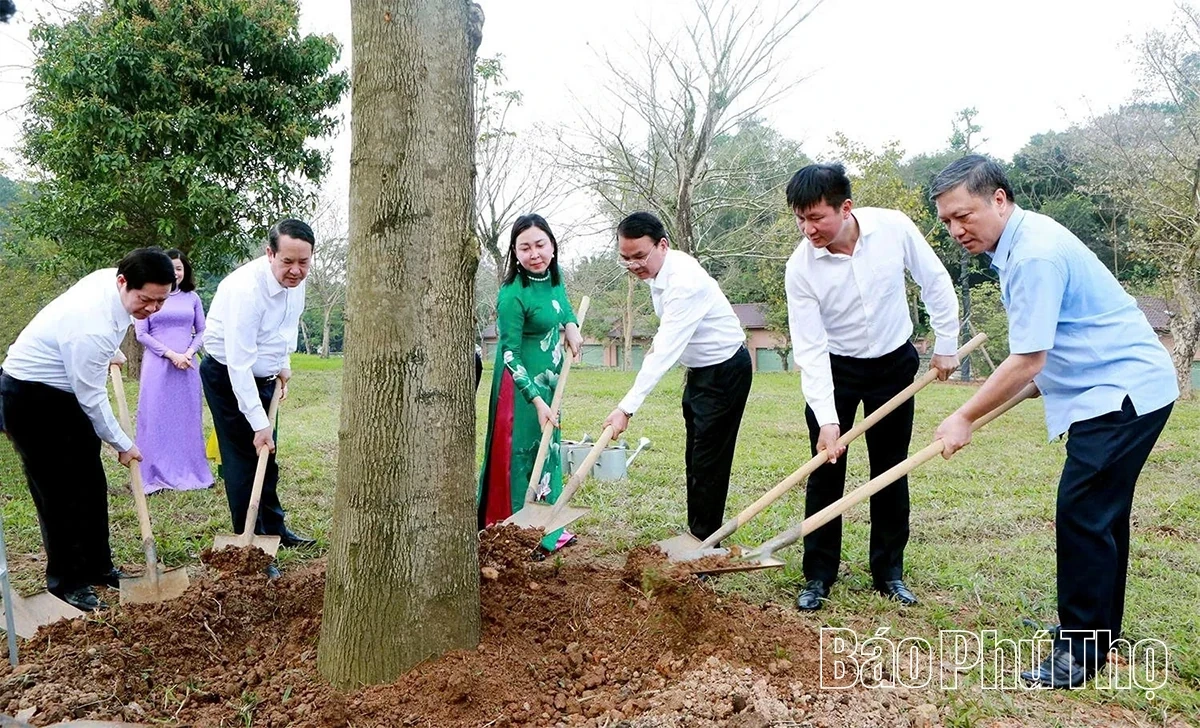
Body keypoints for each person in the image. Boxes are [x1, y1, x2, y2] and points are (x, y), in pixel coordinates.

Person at [930, 155, 1177, 688]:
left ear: (999, 199)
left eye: (964, 216)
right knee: (1101, 516)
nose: (956, 230)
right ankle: (1094, 635)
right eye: (947, 221)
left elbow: (1027, 359)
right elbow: (1044, 353)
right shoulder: (1019, 245)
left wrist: (963, 416)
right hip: (1116, 385)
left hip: (1122, 390)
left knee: (1083, 513)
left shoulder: (1035, 254)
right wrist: (987, 407)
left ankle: (1080, 650)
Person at [783, 163, 961, 612]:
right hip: (836, 369)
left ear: (846, 208)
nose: (808, 229)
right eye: (800, 219)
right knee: (825, 470)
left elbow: (935, 280)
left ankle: (888, 572)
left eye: (816, 217)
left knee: (890, 468)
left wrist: (946, 345)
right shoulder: (800, 268)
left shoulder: (893, 227)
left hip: (892, 362)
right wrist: (827, 419)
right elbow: (809, 347)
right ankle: (818, 576)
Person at [0, 249, 175, 610]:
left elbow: (88, 365)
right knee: (57, 491)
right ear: (123, 283)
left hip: (66, 387)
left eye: (161, 300)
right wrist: (123, 443)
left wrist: (110, 350)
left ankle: (99, 566)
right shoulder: (90, 327)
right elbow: (92, 396)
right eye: (146, 300)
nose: (153, 309)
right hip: (30, 396)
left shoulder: (110, 282)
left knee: (90, 482)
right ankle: (67, 582)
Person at [602, 211, 751, 544]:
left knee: (709, 459)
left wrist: (626, 408)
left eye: (640, 256)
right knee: (694, 455)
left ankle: (702, 540)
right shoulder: (661, 273)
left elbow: (663, 350)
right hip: (699, 371)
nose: (634, 265)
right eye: (625, 259)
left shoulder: (685, 282)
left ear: (663, 245)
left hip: (726, 370)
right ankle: (697, 530)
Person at [201, 218, 317, 578]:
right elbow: (238, 363)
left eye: (304, 262)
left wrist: (283, 365)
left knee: (268, 458)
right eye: (287, 262)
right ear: (270, 254)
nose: (296, 271)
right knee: (243, 462)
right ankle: (249, 546)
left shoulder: (295, 284)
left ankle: (276, 530)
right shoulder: (244, 291)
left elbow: (285, 327)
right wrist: (258, 422)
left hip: (265, 378)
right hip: (228, 378)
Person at [478, 214, 582, 555]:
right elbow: (509, 354)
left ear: (552, 246)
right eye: (524, 248)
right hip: (520, 390)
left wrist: (570, 325)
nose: (534, 254)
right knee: (522, 455)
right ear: (515, 252)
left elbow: (562, 302)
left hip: (551, 381)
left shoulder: (553, 277)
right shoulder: (512, 295)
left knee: (548, 448)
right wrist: (536, 401)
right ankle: (516, 530)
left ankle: (548, 527)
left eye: (540, 245)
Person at [133, 248, 213, 494]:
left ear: (184, 270)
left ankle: (191, 470)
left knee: (186, 418)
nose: (175, 272)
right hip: (158, 365)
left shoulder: (193, 298)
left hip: (187, 365)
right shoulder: (148, 296)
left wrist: (188, 353)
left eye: (178, 268)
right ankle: (153, 473)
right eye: (170, 268)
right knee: (155, 416)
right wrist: (170, 354)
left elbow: (201, 330)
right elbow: (141, 334)